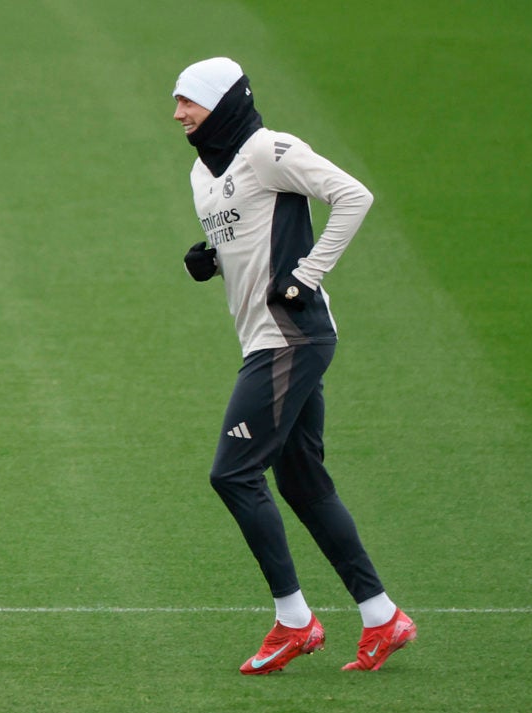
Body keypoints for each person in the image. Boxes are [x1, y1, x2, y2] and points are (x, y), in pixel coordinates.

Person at [171, 57, 416, 675]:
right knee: (303, 482)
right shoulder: (202, 172)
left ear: (223, 102)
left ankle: (295, 621)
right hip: (266, 340)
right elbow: (250, 234)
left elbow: (353, 196)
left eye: (188, 101)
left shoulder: (267, 149)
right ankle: (383, 617)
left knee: (233, 474)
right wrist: (212, 259)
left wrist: (308, 274)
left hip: (289, 338)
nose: (178, 114)